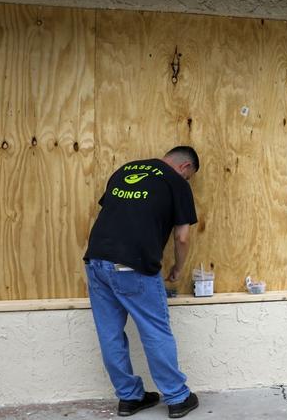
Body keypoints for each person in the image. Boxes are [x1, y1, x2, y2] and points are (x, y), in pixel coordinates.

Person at [83, 146, 201, 418]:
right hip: (131, 265)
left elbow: (116, 212)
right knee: (155, 330)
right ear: (185, 167)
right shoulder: (177, 183)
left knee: (110, 333)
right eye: (189, 176)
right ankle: (177, 397)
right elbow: (182, 238)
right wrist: (178, 269)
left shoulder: (125, 170)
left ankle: (129, 398)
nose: (187, 182)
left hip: (96, 260)